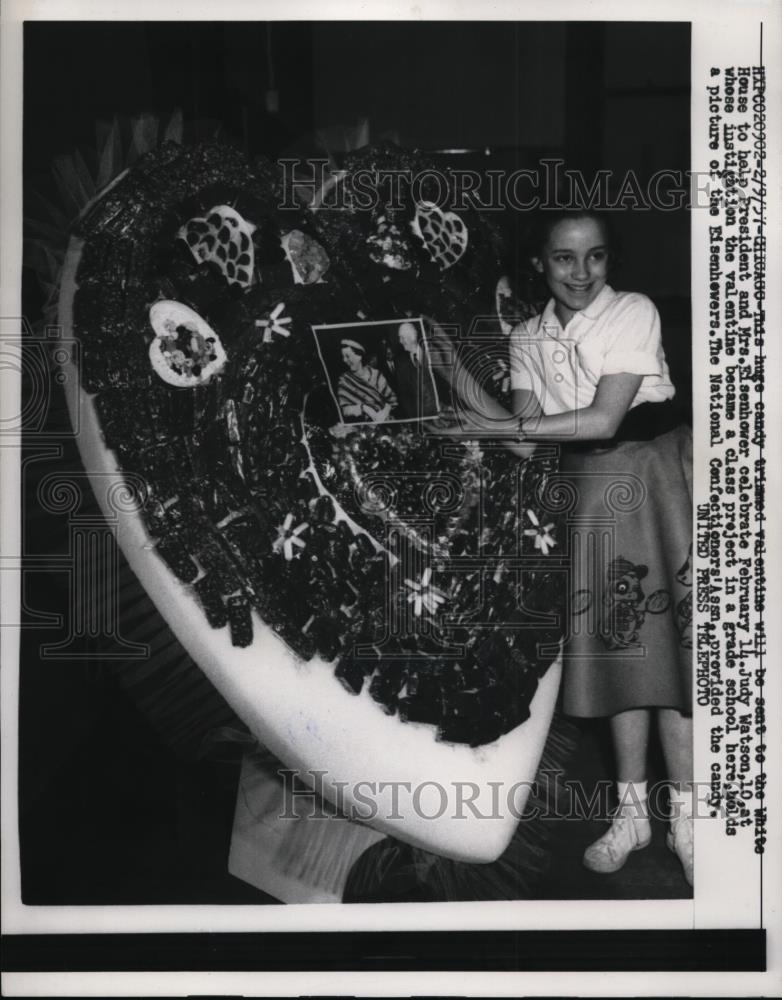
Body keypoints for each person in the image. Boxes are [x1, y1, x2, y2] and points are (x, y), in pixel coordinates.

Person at [432, 209, 694, 886]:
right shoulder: (526, 336)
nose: (581, 273)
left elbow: (605, 417)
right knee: (623, 652)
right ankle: (632, 814)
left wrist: (487, 429)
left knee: (673, 658)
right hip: (591, 491)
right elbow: (521, 435)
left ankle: (693, 824)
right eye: (564, 259)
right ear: (539, 265)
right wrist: (449, 367)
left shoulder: (632, 311)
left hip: (654, 478)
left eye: (596, 257)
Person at [336, 338, 397, 422]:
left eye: (347, 356)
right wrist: (364, 408)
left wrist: (384, 412)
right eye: (343, 357)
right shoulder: (344, 380)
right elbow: (345, 410)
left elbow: (392, 400)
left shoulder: (376, 374)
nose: (345, 360)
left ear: (359, 356)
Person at [394, 321, 439, 419]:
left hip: (443, 411)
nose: (400, 341)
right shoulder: (401, 364)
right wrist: (415, 418)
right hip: (423, 417)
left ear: (412, 337)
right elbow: (404, 394)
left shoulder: (431, 353)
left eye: (402, 337)